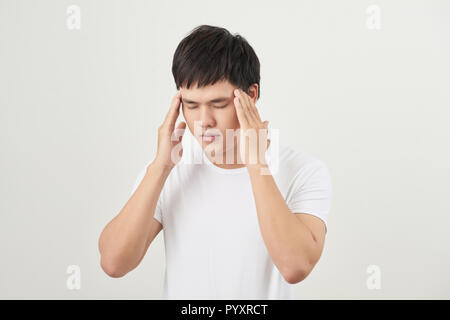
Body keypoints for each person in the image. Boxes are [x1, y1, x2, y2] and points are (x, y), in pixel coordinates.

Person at [98, 25, 333, 300]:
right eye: (192, 105)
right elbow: (114, 263)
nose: (204, 121)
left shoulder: (303, 171)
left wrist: (257, 162)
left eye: (218, 104)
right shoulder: (170, 169)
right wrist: (159, 168)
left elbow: (295, 266)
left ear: (251, 95)